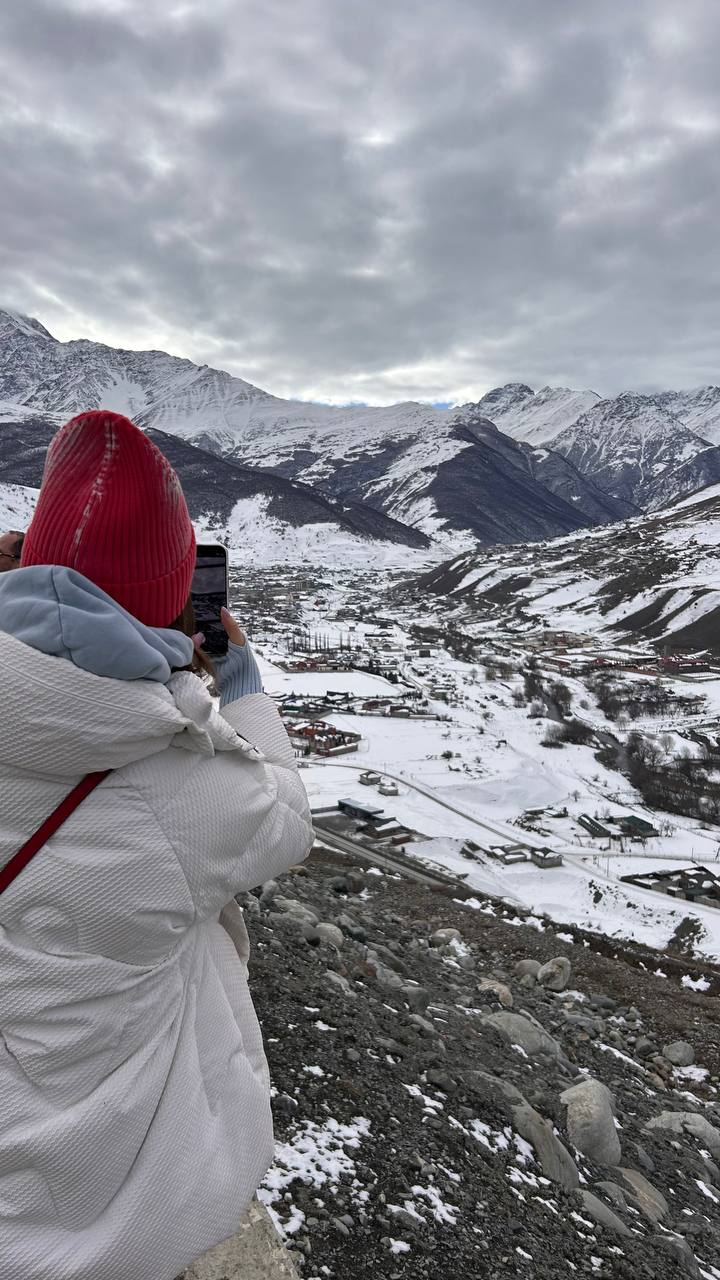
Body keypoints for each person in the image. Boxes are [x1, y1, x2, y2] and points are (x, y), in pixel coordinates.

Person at [0, 410, 314, 1280]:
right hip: (92, 1182)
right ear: (173, 597)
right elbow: (287, 821)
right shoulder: (186, 780)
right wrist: (239, 684)